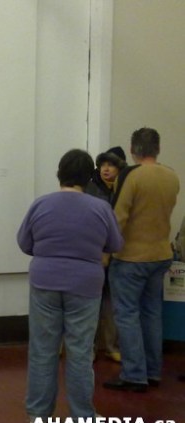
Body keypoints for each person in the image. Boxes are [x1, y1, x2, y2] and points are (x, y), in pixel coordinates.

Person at [17, 149, 124, 423]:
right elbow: (115, 244)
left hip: (45, 281)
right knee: (80, 351)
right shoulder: (101, 208)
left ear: (59, 174)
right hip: (85, 285)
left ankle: (38, 414)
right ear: (89, 177)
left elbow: (24, 243)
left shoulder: (41, 204)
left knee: (43, 349)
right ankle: (82, 416)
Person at [103, 127, 180, 392]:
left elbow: (119, 218)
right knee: (152, 313)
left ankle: (134, 374)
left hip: (131, 257)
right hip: (161, 255)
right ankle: (153, 371)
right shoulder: (171, 176)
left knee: (127, 315)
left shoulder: (130, 176)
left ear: (132, 150)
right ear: (157, 149)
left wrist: (106, 252)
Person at [85, 146, 127, 363]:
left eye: (111, 165)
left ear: (120, 168)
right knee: (90, 302)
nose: (106, 169)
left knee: (112, 302)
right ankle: (89, 347)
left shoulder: (125, 188)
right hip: (94, 253)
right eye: (103, 164)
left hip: (118, 253)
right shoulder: (90, 188)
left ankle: (111, 346)